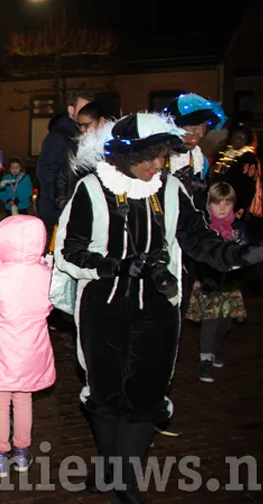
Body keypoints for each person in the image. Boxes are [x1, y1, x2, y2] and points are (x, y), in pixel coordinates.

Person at [50, 112, 263, 503]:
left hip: (159, 308)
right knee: (105, 390)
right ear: (128, 155)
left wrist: (242, 253)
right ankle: (112, 471)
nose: (158, 165)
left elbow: (198, 240)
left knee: (147, 391)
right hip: (104, 305)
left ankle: (123, 480)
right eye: (152, 157)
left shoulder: (169, 190)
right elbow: (68, 252)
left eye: (163, 156)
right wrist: (115, 266)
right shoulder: (92, 189)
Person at [158, 92, 227, 437]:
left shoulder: (199, 157)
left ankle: (159, 403)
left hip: (184, 254)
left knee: (175, 327)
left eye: (202, 127)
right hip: (157, 253)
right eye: (191, 126)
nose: (198, 132)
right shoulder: (159, 156)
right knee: (153, 328)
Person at [0, 215, 55, 477]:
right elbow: (51, 305)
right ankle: (22, 453)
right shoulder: (45, 273)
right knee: (24, 399)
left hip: (4, 348)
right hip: (33, 346)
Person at [185, 182, 247, 382]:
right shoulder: (203, 227)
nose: (222, 208)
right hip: (208, 283)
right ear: (209, 204)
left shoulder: (237, 228)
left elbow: (244, 256)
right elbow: (196, 256)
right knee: (210, 323)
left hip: (229, 284)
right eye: (217, 203)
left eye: (227, 204)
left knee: (225, 323)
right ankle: (205, 360)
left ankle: (213, 350)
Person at [36, 90, 92, 244]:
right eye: (82, 109)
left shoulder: (84, 135)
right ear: (71, 110)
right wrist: (61, 200)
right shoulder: (60, 136)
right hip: (56, 211)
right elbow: (45, 169)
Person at [55, 101, 112, 209]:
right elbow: (62, 176)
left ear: (102, 121)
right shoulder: (73, 147)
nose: (82, 129)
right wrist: (61, 201)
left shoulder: (113, 150)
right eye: (79, 125)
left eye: (86, 125)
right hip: (75, 208)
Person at [210, 123, 261, 220]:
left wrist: (241, 206)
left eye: (242, 137)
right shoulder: (223, 153)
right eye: (235, 136)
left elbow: (248, 185)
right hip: (216, 198)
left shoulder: (248, 158)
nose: (238, 139)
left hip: (235, 202)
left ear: (247, 140)